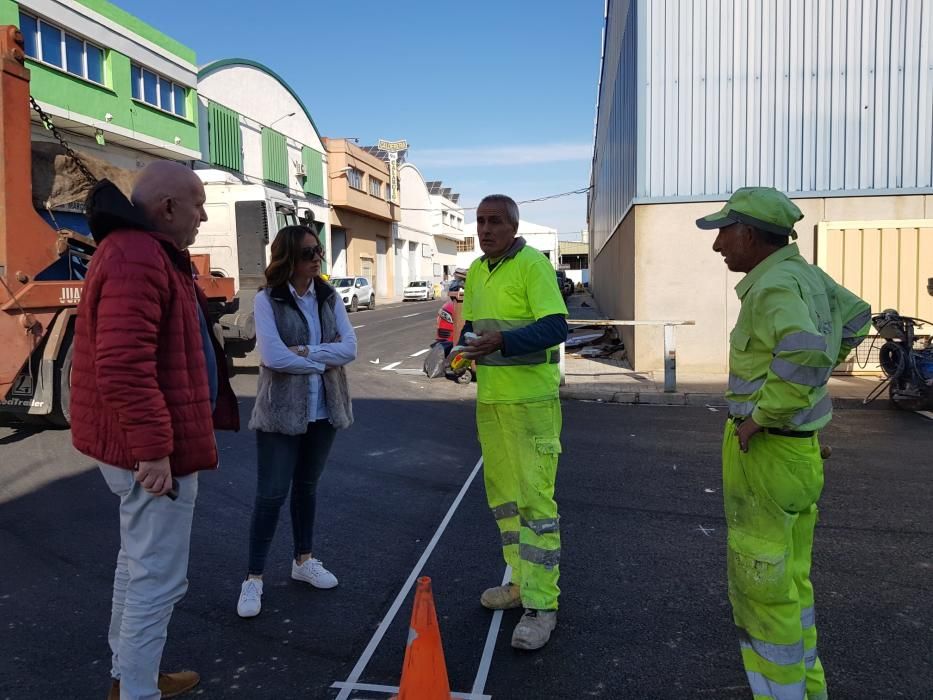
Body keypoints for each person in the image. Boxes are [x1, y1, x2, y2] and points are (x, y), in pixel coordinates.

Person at [71, 162, 239, 700]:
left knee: (137, 563)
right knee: (158, 578)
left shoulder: (138, 252)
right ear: (167, 208)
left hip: (144, 446)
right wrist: (153, 451)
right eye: (198, 205)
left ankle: (132, 676)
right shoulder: (139, 255)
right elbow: (123, 362)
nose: (204, 216)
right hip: (150, 453)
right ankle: (138, 689)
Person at [696, 187, 870, 700]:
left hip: (770, 449)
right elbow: (857, 318)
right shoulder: (805, 275)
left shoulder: (772, 286)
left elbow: (804, 353)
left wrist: (762, 417)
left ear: (748, 234)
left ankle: (781, 693)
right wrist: (806, 389)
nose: (718, 246)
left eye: (724, 233)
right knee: (791, 580)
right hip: (798, 450)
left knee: (762, 585)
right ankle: (807, 689)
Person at [458, 194, 568, 650]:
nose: (485, 230)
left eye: (495, 222)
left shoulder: (532, 266)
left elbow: (556, 327)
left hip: (532, 405)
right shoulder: (479, 271)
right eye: (480, 222)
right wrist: (448, 350)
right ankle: (520, 583)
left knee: (536, 506)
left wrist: (503, 340)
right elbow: (468, 329)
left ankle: (542, 605)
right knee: (503, 500)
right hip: (493, 404)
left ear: (513, 226)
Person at [236, 225, 356, 618]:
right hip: (280, 413)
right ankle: (253, 579)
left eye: (318, 250)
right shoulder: (267, 299)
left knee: (307, 488)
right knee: (271, 495)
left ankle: (304, 561)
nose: (316, 257)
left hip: (324, 410)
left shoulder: (328, 295)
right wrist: (322, 360)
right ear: (288, 257)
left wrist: (308, 352)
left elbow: (350, 348)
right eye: (308, 253)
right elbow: (272, 357)